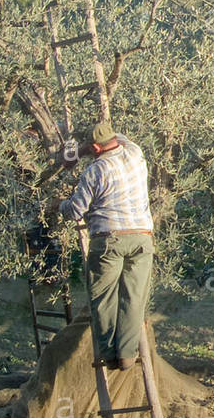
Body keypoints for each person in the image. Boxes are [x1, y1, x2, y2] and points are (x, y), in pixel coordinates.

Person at [47, 119, 154, 370]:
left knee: (104, 298)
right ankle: (127, 353)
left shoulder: (95, 171)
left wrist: (58, 205)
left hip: (109, 239)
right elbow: (122, 137)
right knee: (134, 298)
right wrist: (88, 147)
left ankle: (108, 352)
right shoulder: (135, 153)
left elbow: (75, 211)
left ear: (95, 149)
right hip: (142, 237)